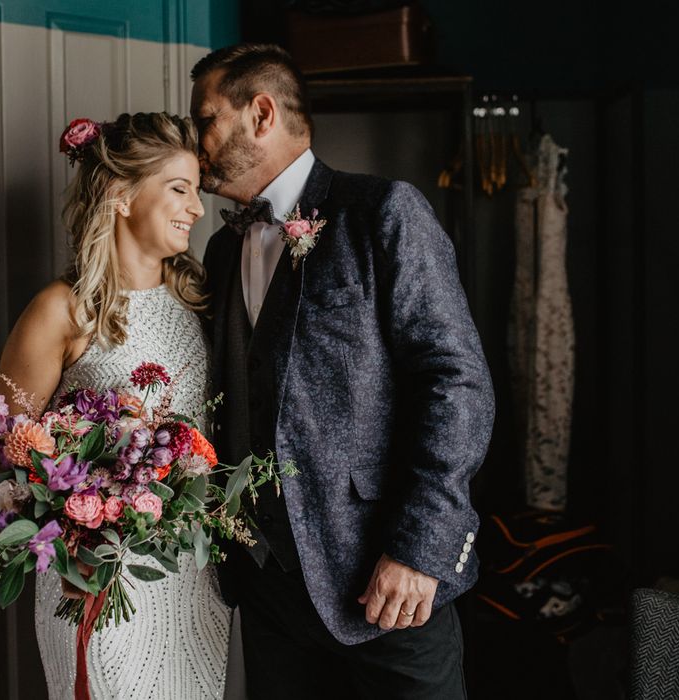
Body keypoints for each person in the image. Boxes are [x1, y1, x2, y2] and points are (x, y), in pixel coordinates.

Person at [190, 44, 495, 699]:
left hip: (387, 583)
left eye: (206, 119)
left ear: (261, 113)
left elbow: (456, 382)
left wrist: (419, 550)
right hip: (267, 587)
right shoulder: (221, 250)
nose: (196, 141)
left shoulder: (381, 212)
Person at [0, 112, 231, 699]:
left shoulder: (202, 302)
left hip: (190, 576)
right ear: (122, 196)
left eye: (197, 192)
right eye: (179, 189)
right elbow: (0, 444)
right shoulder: (62, 310)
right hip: (96, 574)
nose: (197, 210)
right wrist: (77, 519)